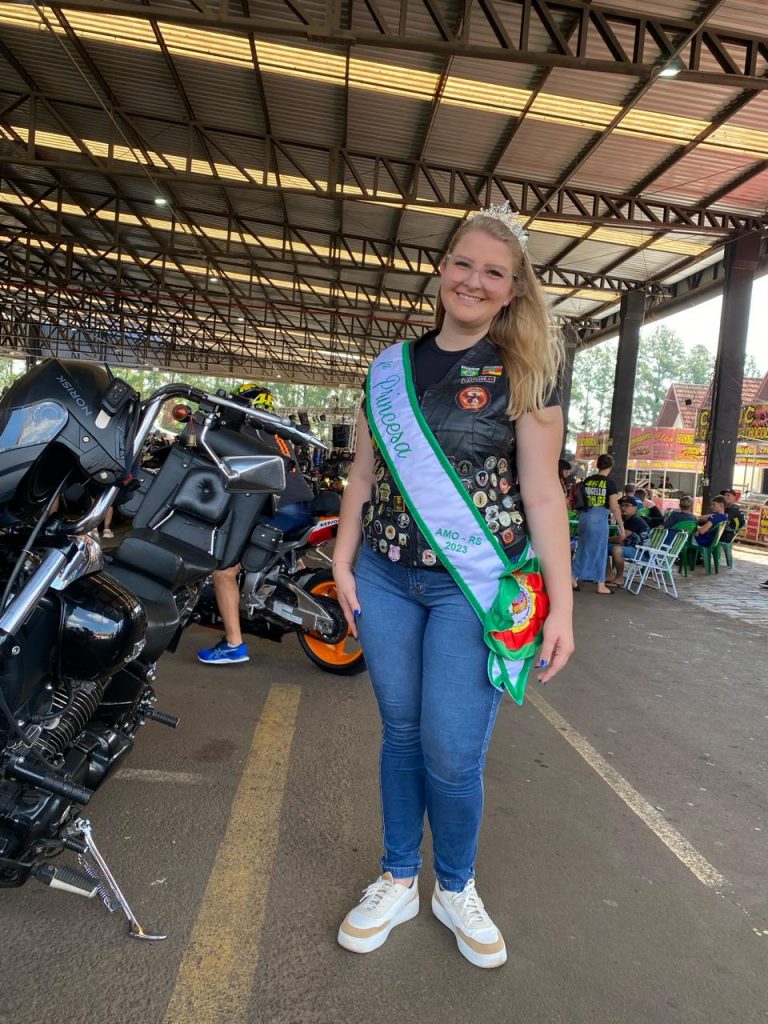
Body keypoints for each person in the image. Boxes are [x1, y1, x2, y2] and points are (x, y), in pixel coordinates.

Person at [331, 203, 574, 968]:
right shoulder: (388, 369)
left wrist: (562, 607)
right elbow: (363, 475)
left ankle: (456, 886)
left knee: (453, 749)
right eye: (463, 263)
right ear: (442, 270)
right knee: (401, 733)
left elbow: (543, 495)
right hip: (384, 576)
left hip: (473, 589)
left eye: (493, 272)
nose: (474, 280)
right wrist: (341, 559)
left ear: (512, 290)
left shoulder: (526, 373)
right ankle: (400, 877)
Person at [197, 384, 315, 665]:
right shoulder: (277, 430)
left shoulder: (246, 429)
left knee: (224, 570)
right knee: (283, 549)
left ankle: (233, 644)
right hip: (303, 507)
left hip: (279, 509)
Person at [571, 453, 622, 595]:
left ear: (598, 465)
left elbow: (579, 501)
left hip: (584, 517)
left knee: (583, 548)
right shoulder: (609, 483)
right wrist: (621, 526)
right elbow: (614, 507)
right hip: (599, 519)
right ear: (611, 466)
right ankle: (601, 584)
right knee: (600, 551)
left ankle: (573, 578)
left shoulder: (587, 480)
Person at [605, 496, 651, 588]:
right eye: (621, 505)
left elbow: (620, 539)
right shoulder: (627, 519)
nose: (623, 508)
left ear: (635, 508)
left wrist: (605, 538)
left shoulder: (635, 520)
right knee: (602, 546)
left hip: (642, 553)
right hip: (632, 548)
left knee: (617, 549)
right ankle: (609, 575)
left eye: (627, 505)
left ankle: (619, 578)